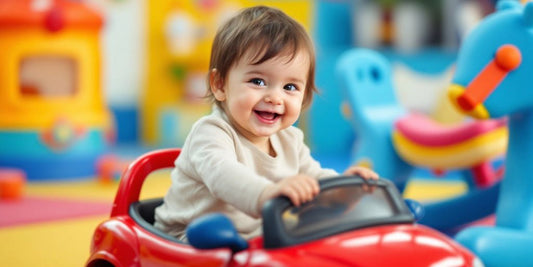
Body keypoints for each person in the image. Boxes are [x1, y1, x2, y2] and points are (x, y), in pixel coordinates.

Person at [154, 5, 379, 240]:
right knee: (216, 238)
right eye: (258, 81)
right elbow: (223, 174)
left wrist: (344, 188)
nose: (275, 97)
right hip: (188, 237)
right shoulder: (211, 133)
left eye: (290, 87)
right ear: (220, 85)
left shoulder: (290, 139)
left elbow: (314, 177)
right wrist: (266, 194)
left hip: (253, 238)